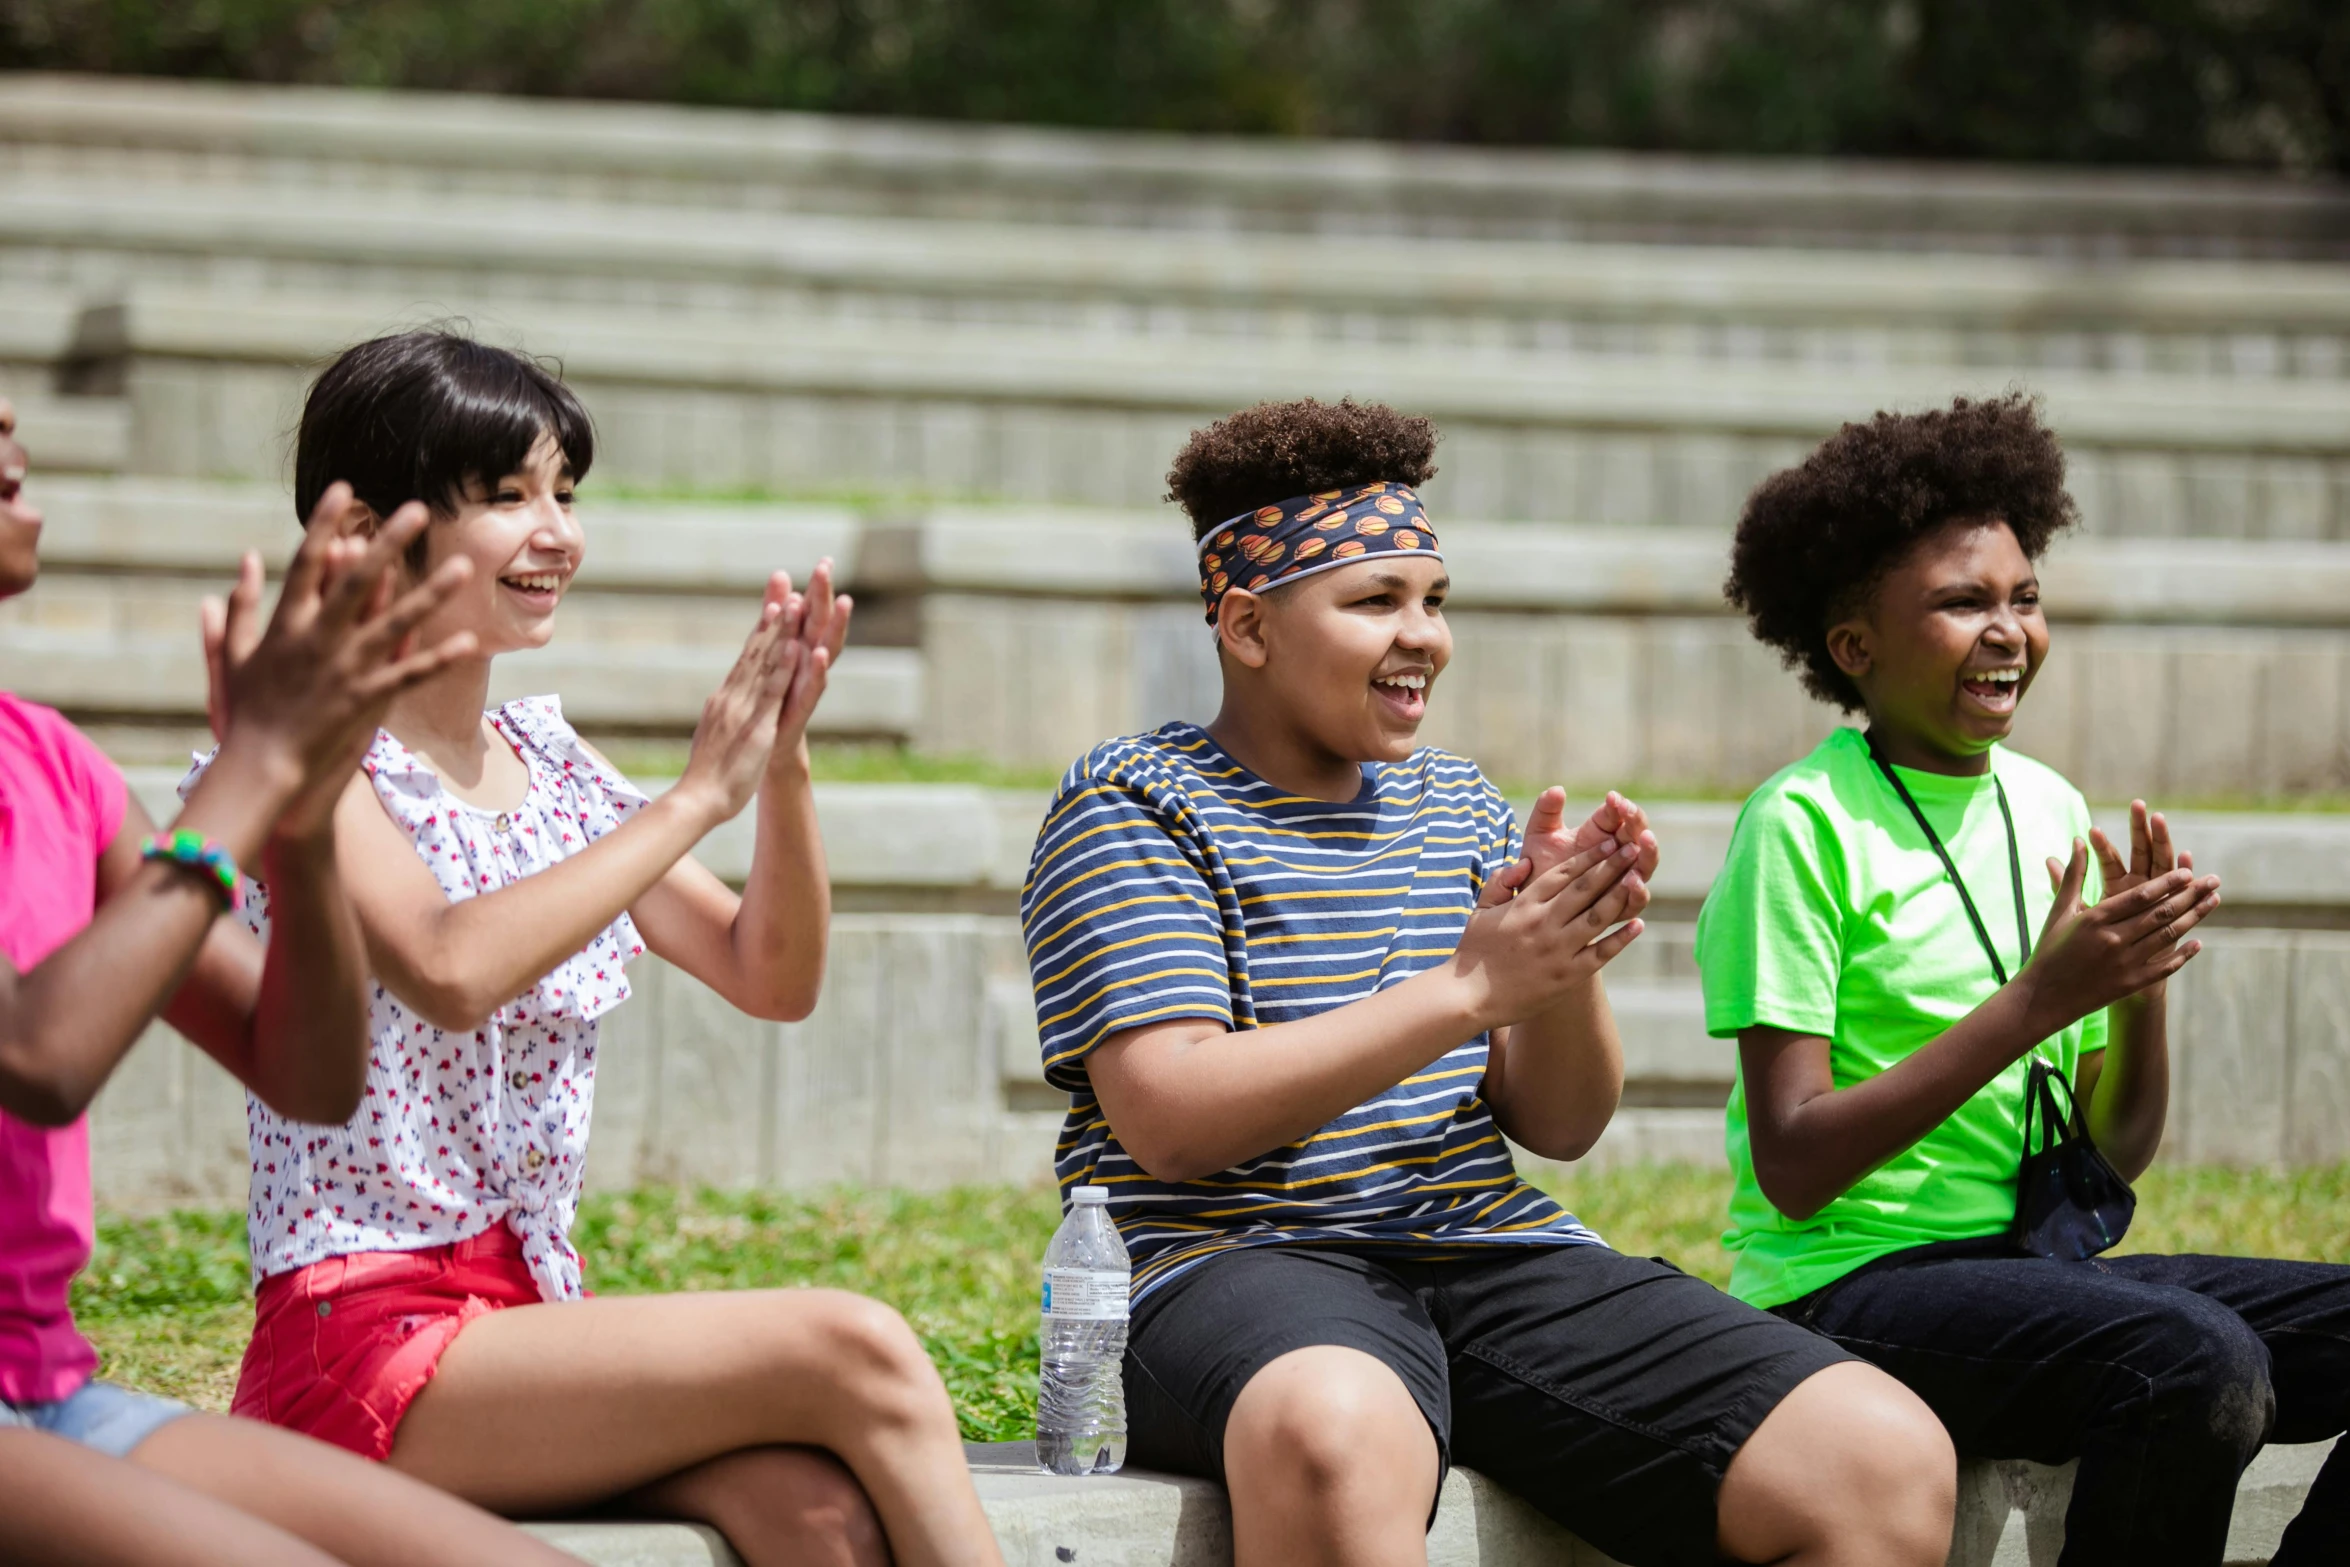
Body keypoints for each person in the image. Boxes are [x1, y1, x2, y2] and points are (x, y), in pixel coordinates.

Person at [1019, 396, 1959, 1567]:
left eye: (1434, 600)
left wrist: (1556, 966)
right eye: (1375, 602)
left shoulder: (1457, 800)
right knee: (1336, 1432)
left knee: (1880, 1456)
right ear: (1249, 626)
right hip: (1226, 1263)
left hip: (1484, 1247)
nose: (1425, 636)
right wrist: (1469, 989)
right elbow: (1171, 1116)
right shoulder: (1134, 801)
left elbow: (1562, 1122)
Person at [191, 333, 1006, 1567]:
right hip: (357, 1340)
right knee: (858, 1344)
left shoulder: (557, 769)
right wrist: (692, 800)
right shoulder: (300, 759)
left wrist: (776, 766)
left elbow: (768, 975)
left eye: (564, 492)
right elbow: (449, 966)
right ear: (363, 531)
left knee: (813, 1513)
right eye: (509, 496)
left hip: (525, 1321)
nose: (556, 530)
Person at [1699, 392, 2350, 1566]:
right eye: (1961, 603)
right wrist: (2039, 1002)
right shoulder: (1798, 824)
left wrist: (2136, 992)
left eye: (2023, 597)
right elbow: (1794, 1163)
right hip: (1846, 1292)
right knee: (2191, 1358)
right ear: (1855, 646)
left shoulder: (2043, 804)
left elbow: (2113, 1153)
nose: (2006, 629)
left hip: (2033, 1278)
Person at [0, 393, 582, 1566]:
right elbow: (40, 1059)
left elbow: (307, 1071)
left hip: (44, 1385)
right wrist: (253, 764)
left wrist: (304, 818)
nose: (12, 429)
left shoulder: (51, 762)